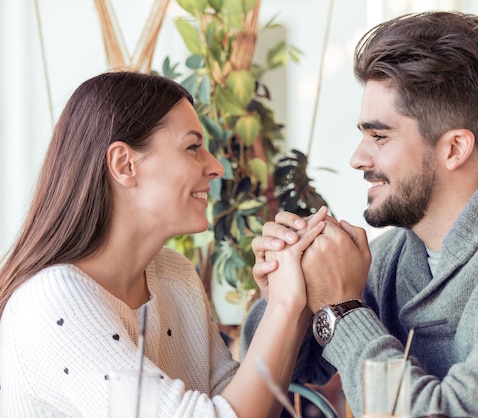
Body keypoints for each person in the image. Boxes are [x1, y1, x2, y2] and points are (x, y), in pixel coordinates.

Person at [242, 11, 478, 417]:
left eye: (379, 136)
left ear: (454, 149)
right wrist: (287, 302)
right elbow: (274, 385)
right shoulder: (392, 258)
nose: (357, 158)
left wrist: (342, 309)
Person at [0, 71, 327, 417]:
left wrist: (287, 298)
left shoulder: (174, 274)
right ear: (125, 164)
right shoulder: (54, 300)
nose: (216, 167)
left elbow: (238, 401)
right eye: (193, 147)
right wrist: (286, 304)